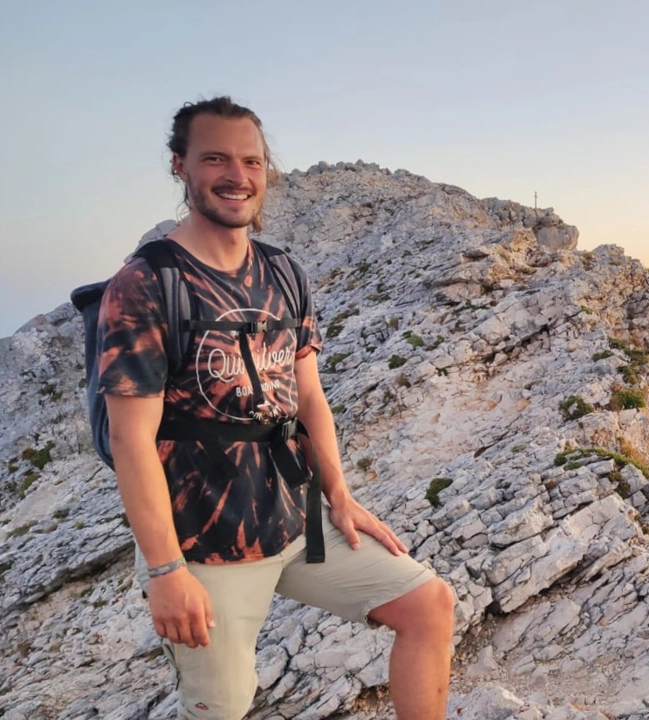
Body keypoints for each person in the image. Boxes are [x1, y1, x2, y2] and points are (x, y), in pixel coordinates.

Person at [97, 96, 454, 719]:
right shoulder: (148, 283)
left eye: (251, 161)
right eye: (215, 158)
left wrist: (337, 493)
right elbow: (132, 441)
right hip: (205, 545)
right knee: (224, 709)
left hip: (294, 521)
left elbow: (308, 394)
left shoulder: (284, 272)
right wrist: (164, 571)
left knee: (429, 605)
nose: (237, 175)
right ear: (180, 166)